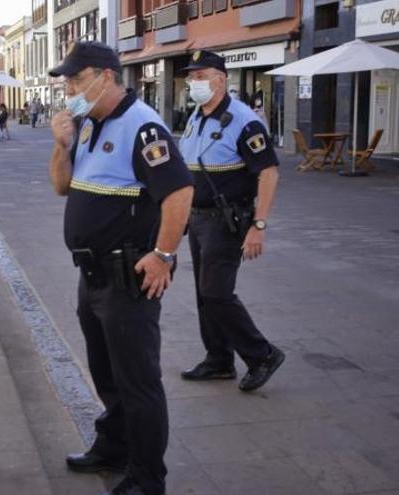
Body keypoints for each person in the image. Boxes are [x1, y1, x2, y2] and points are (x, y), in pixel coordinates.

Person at [49, 41, 193, 495]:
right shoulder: (87, 124)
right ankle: (114, 447)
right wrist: (61, 146)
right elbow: (61, 187)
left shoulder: (143, 127)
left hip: (127, 278)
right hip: (91, 276)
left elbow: (179, 194)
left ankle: (148, 479)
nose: (70, 88)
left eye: (76, 79)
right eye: (68, 81)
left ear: (106, 76)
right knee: (107, 373)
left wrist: (163, 254)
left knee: (139, 383)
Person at [176, 50, 284, 392]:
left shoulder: (244, 120)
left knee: (216, 292)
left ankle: (262, 354)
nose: (194, 82)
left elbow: (268, 173)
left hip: (227, 220)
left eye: (201, 75)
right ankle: (219, 359)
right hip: (197, 218)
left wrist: (259, 225)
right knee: (203, 293)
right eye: (192, 76)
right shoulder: (196, 115)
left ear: (221, 79)